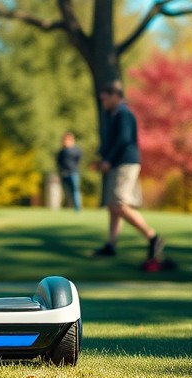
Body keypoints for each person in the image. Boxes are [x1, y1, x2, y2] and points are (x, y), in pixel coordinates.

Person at [93, 81, 164, 261]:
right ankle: (111, 245)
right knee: (112, 205)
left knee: (119, 204)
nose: (103, 102)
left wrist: (108, 159)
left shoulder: (124, 115)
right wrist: (102, 158)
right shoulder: (113, 115)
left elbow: (124, 140)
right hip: (117, 163)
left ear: (115, 96)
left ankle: (152, 237)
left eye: (105, 98)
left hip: (125, 163)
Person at [56, 132, 83, 212]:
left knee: (75, 191)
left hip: (73, 173)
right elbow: (59, 162)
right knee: (66, 192)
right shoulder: (62, 152)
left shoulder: (76, 150)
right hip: (64, 173)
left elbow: (78, 160)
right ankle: (69, 206)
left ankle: (77, 208)